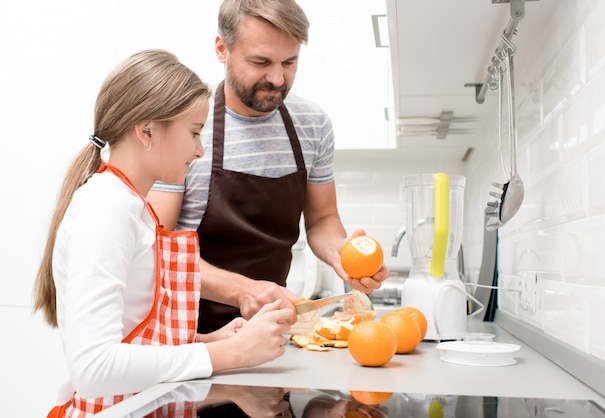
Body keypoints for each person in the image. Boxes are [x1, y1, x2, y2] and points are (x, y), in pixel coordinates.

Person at [33, 49, 294, 417]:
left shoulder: (131, 207)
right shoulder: (106, 210)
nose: (200, 150)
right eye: (194, 133)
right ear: (146, 131)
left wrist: (211, 340)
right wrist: (229, 353)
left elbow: (133, 337)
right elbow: (94, 369)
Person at [148, 0, 391, 334]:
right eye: (260, 61)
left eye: (289, 62)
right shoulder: (186, 123)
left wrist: (343, 257)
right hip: (188, 335)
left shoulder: (313, 124)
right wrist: (243, 290)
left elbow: (322, 219)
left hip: (270, 331)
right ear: (223, 49)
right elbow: (157, 247)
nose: (277, 79)